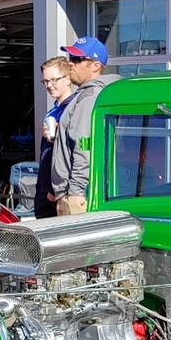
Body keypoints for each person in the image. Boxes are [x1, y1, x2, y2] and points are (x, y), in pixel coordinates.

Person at [49, 36, 121, 215]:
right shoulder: (91, 95)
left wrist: (75, 193)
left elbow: (85, 147)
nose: (70, 64)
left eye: (77, 59)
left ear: (96, 65)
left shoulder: (89, 97)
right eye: (70, 58)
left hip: (77, 197)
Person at [34, 55, 75, 218]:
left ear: (68, 78)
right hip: (45, 189)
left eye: (54, 80)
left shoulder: (72, 109)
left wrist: (55, 188)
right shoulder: (54, 109)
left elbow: (74, 152)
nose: (49, 85)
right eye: (45, 81)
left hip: (56, 192)